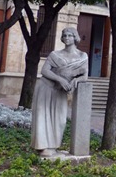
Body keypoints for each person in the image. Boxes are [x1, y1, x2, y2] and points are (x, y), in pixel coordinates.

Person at [31, 27, 88, 157]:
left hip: (61, 91)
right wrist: (60, 79)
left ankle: (53, 146)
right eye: (65, 36)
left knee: (60, 119)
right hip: (46, 88)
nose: (67, 38)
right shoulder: (55, 55)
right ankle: (44, 147)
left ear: (75, 37)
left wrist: (77, 80)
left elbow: (85, 75)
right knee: (43, 116)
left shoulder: (82, 56)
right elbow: (45, 71)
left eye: (70, 35)